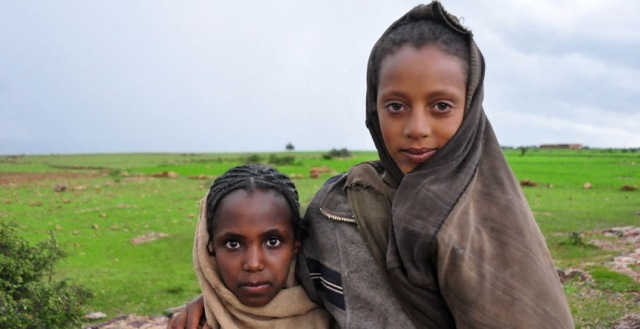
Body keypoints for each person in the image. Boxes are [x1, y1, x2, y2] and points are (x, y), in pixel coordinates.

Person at [169, 2, 574, 328]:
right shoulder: (340, 207)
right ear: (373, 107)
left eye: (441, 106)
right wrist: (213, 299)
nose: (416, 128)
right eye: (395, 106)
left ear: (470, 108)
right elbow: (289, 273)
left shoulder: (495, 224)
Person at [189, 165, 331, 328]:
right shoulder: (194, 322)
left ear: (295, 244)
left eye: (272, 242)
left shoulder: (338, 312)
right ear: (210, 249)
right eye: (233, 244)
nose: (254, 264)